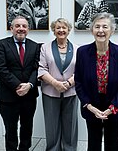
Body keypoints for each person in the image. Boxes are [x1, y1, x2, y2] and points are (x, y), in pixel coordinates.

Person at [74, 12, 118, 151]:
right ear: (91, 30)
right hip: (92, 106)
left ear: (112, 31)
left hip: (114, 108)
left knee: (113, 146)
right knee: (93, 145)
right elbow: (79, 81)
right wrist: (89, 106)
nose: (100, 30)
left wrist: (112, 108)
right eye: (97, 27)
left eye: (105, 27)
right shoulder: (82, 52)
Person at [0, 16, 39, 151]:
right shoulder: (1, 44)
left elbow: (37, 69)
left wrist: (29, 85)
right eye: (17, 26)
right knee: (10, 129)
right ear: (11, 28)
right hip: (8, 95)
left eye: (24, 26)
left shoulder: (35, 46)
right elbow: (1, 69)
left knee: (27, 127)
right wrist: (19, 86)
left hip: (29, 96)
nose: (21, 29)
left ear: (28, 29)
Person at [38, 18, 78, 151]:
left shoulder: (77, 49)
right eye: (58, 28)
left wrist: (67, 83)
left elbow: (81, 71)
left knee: (70, 125)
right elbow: (42, 69)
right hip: (50, 92)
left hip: (71, 92)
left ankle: (70, 148)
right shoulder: (45, 47)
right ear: (53, 30)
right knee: (52, 126)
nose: (61, 30)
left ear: (69, 30)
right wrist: (55, 83)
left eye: (64, 28)